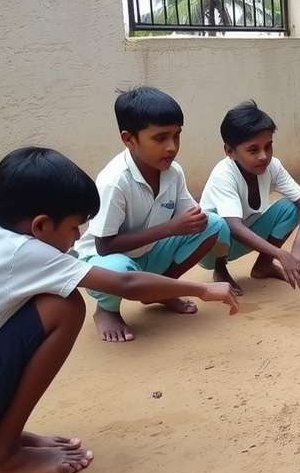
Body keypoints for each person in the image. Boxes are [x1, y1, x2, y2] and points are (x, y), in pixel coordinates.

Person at [0, 147, 236, 473]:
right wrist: (204, 290)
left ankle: (5, 439)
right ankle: (1, 458)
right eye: (74, 227)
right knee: (64, 306)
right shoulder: (28, 252)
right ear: (41, 226)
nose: (78, 237)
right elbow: (125, 283)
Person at [75, 87, 228, 342]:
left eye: (177, 136)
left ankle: (160, 291)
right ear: (129, 139)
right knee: (118, 267)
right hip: (106, 262)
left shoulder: (172, 171)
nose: (172, 147)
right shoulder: (115, 182)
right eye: (160, 138)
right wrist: (170, 228)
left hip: (148, 254)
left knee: (214, 225)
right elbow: (104, 246)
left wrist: (198, 218)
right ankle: (106, 309)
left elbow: (190, 215)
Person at [200, 100, 300, 295]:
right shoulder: (223, 174)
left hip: (245, 236)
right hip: (211, 248)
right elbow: (234, 227)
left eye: (268, 146)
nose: (264, 156)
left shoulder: (273, 166)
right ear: (230, 151)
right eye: (253, 150)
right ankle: (220, 270)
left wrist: (299, 243)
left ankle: (263, 265)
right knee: (217, 223)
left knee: (291, 207)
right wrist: (281, 254)